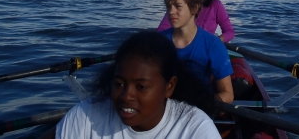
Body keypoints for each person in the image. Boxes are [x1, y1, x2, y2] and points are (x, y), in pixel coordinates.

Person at [46, 31, 220, 139]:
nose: (126, 96)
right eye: (119, 84)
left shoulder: (196, 128)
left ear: (169, 86)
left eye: (141, 87)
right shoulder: (85, 116)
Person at [159, 0, 234, 104]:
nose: (171, 12)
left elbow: (228, 95)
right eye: (168, 6)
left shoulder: (213, 46)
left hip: (196, 109)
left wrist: (202, 102)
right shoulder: (158, 42)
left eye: (178, 6)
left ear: (194, 8)